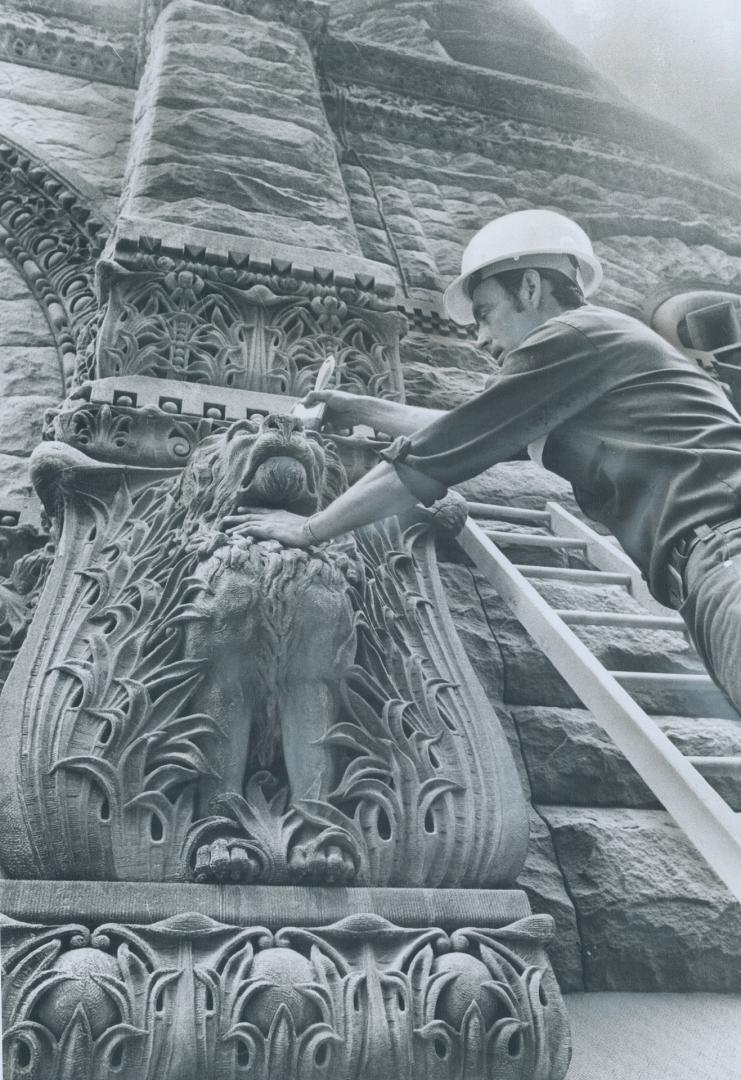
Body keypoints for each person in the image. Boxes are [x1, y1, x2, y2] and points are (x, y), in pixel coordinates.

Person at [225, 209, 741, 714]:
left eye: (486, 313)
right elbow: (470, 428)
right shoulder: (596, 353)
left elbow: (431, 460)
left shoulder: (571, 337)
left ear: (531, 288)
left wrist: (310, 529)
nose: (480, 339)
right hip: (707, 570)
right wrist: (360, 408)